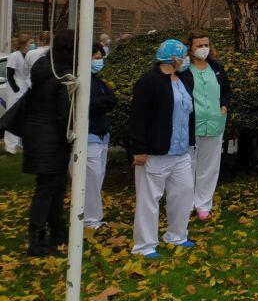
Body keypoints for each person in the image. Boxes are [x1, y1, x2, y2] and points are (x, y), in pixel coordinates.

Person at [130, 39, 197, 257]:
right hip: (156, 152)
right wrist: (139, 149)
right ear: (173, 58)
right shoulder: (149, 82)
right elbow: (138, 117)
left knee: (184, 193)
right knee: (149, 200)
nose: (188, 59)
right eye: (184, 55)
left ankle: (177, 235)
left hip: (181, 151)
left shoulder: (184, 78)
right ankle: (145, 245)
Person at [20, 29, 75, 256]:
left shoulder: (43, 67)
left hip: (35, 134)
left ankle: (57, 232)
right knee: (47, 189)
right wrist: (70, 136)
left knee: (54, 187)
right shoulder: (63, 75)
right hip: (51, 138)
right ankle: (37, 240)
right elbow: (64, 113)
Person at [186, 31, 231, 220]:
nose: (203, 49)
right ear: (190, 48)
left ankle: (203, 204)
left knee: (209, 166)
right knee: (188, 165)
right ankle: (186, 203)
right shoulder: (184, 69)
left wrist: (224, 106)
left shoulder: (216, 67)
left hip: (214, 122)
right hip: (190, 124)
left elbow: (226, 90)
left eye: (206, 45)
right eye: (199, 45)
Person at [85, 42, 117, 231]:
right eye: (96, 58)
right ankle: (90, 220)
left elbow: (111, 99)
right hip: (90, 136)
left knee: (97, 178)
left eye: (100, 58)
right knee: (91, 179)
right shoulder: (84, 81)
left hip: (101, 135)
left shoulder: (98, 81)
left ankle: (94, 217)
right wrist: (102, 102)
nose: (99, 62)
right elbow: (93, 104)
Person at [3, 33, 33, 154]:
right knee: (12, 117)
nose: (32, 45)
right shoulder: (14, 56)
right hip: (15, 89)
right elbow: (9, 75)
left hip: (24, 88)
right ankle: (10, 146)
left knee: (22, 117)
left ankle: (20, 144)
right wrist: (16, 89)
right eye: (30, 43)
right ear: (24, 44)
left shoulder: (28, 55)